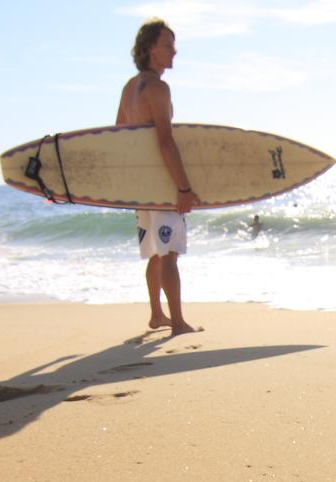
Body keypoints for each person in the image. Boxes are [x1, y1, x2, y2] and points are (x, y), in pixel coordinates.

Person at [116, 17, 201, 337]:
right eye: (168, 45)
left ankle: (156, 314)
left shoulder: (129, 88)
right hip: (162, 183)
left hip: (143, 186)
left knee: (155, 250)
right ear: (151, 49)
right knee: (170, 254)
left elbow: (119, 139)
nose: (174, 52)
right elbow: (166, 141)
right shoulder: (157, 88)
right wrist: (184, 187)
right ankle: (177, 323)